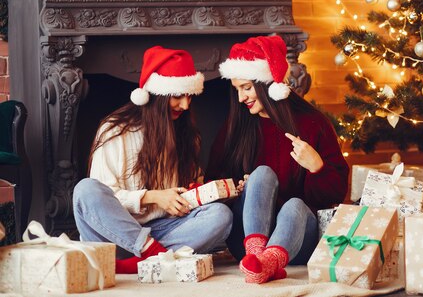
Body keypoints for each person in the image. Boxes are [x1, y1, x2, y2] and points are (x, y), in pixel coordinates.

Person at [73, 46, 233, 274]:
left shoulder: (187, 136)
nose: (185, 105)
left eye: (189, 96)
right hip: (114, 235)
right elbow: (102, 199)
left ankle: (143, 261)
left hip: (163, 230)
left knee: (221, 216)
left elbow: (189, 192)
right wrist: (154, 197)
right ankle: (152, 255)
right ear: (156, 96)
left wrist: (197, 195)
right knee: (85, 189)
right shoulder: (115, 131)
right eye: (177, 96)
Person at [207, 35, 349, 284]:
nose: (241, 98)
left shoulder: (312, 124)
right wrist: (237, 190)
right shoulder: (237, 125)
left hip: (295, 240)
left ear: (267, 84)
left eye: (247, 88)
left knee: (294, 205)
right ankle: (257, 258)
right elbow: (213, 184)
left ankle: (268, 263)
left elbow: (335, 196)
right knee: (261, 174)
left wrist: (318, 167)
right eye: (237, 89)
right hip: (247, 239)